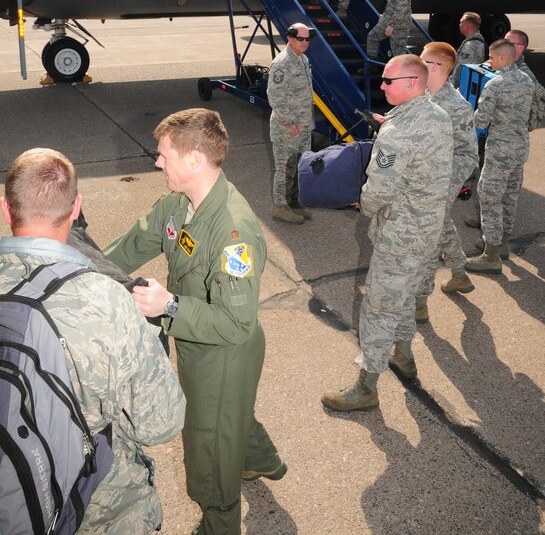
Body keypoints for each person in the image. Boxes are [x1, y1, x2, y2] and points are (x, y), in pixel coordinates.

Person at [103, 109, 286, 535]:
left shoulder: (233, 233)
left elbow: (234, 323)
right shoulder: (179, 204)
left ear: (195, 161)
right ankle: (261, 461)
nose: (157, 162)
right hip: (199, 341)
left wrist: (169, 307)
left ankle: (219, 522)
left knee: (208, 447)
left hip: (223, 353)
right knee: (230, 418)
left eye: (164, 154)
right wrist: (76, 269)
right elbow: (131, 245)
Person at [0, 148, 185, 534]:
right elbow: (161, 423)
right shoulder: (107, 301)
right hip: (94, 504)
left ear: (5, 208)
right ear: (76, 207)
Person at [321, 55, 453, 412]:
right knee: (406, 296)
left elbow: (378, 192)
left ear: (412, 82)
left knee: (378, 307)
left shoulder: (398, 133)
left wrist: (362, 204)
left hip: (399, 236)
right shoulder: (438, 116)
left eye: (387, 81)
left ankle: (366, 387)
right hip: (427, 231)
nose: (381, 86)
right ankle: (405, 355)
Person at [415, 42, 479, 321]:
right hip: (420, 180)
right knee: (441, 226)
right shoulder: (423, 95)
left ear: (436, 67)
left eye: (422, 61)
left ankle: (419, 301)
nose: (418, 66)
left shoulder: (457, 107)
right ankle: (460, 273)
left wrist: (445, 185)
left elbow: (469, 154)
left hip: (440, 184)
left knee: (428, 237)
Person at [464, 40, 534, 274]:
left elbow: (481, 121)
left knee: (490, 197)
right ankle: (502, 243)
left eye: (492, 58)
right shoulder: (527, 79)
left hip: (500, 150)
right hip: (520, 148)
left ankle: (491, 255)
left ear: (502, 59)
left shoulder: (495, 85)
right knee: (510, 195)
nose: (489, 62)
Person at [267, 22, 315, 224]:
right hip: (287, 128)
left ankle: (294, 203)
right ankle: (280, 207)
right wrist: (290, 121)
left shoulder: (302, 59)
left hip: (304, 126)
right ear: (290, 38)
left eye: (307, 39)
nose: (304, 42)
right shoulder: (282, 63)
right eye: (300, 39)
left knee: (299, 167)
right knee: (284, 168)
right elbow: (275, 96)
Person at [505, 29, 545, 131]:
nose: (503, 45)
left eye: (508, 43)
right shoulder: (500, 64)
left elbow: (536, 107)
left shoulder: (526, 76)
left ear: (520, 47)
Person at [450, 12, 487, 87]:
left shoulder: (470, 46)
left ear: (467, 26)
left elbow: (461, 70)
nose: (459, 25)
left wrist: (450, 85)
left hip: (463, 88)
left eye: (461, 22)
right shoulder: (478, 40)